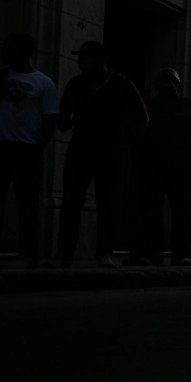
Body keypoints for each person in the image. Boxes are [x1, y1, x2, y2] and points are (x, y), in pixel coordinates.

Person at [0, 32, 60, 267]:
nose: (4, 51)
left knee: (27, 203)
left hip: (26, 149)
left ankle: (30, 253)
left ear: (25, 51)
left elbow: (50, 118)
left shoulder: (43, 83)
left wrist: (39, 147)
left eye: (10, 48)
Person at [54, 40, 147, 267]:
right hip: (80, 150)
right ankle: (64, 255)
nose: (80, 63)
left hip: (110, 153)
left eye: (85, 58)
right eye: (80, 58)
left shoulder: (122, 84)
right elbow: (63, 118)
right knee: (71, 203)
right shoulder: (76, 84)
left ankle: (104, 253)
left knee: (108, 205)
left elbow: (142, 119)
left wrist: (123, 142)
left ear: (100, 59)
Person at [129, 68, 191, 266]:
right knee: (151, 210)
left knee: (181, 211)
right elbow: (138, 133)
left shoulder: (187, 106)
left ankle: (180, 254)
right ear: (157, 86)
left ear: (177, 86)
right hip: (153, 166)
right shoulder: (150, 107)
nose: (168, 85)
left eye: (172, 82)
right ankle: (152, 253)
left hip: (180, 166)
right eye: (164, 81)